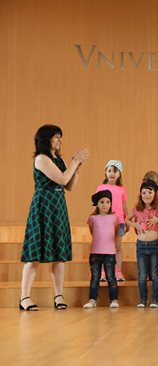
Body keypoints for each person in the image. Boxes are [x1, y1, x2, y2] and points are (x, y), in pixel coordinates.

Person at [20, 125, 89, 311]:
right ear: (46, 139)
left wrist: (77, 167)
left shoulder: (59, 159)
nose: (59, 140)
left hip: (58, 205)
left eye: (60, 137)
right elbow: (61, 179)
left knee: (59, 255)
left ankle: (59, 296)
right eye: (56, 137)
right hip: (43, 205)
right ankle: (24, 297)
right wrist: (75, 162)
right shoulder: (41, 159)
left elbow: (70, 186)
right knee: (34, 254)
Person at [125, 181, 158, 308]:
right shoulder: (137, 209)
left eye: (150, 192)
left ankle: (155, 300)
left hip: (154, 245)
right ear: (140, 195)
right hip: (141, 245)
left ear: (154, 194)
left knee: (156, 273)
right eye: (144, 193)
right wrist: (135, 224)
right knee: (142, 274)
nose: (147, 195)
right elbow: (126, 219)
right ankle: (142, 300)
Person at [83, 190, 120, 309]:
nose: (105, 204)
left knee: (111, 277)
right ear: (97, 204)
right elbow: (92, 231)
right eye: (102, 202)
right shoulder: (93, 218)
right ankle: (92, 299)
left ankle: (114, 299)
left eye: (108, 202)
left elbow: (116, 232)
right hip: (95, 252)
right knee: (95, 277)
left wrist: (109, 244)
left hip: (109, 252)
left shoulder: (114, 218)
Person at [96, 160, 129, 281]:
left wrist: (126, 220)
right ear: (105, 172)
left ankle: (118, 271)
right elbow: (97, 205)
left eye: (115, 171)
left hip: (118, 222)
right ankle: (104, 272)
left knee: (117, 247)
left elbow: (124, 206)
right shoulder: (101, 187)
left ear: (119, 174)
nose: (112, 174)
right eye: (109, 171)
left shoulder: (121, 189)